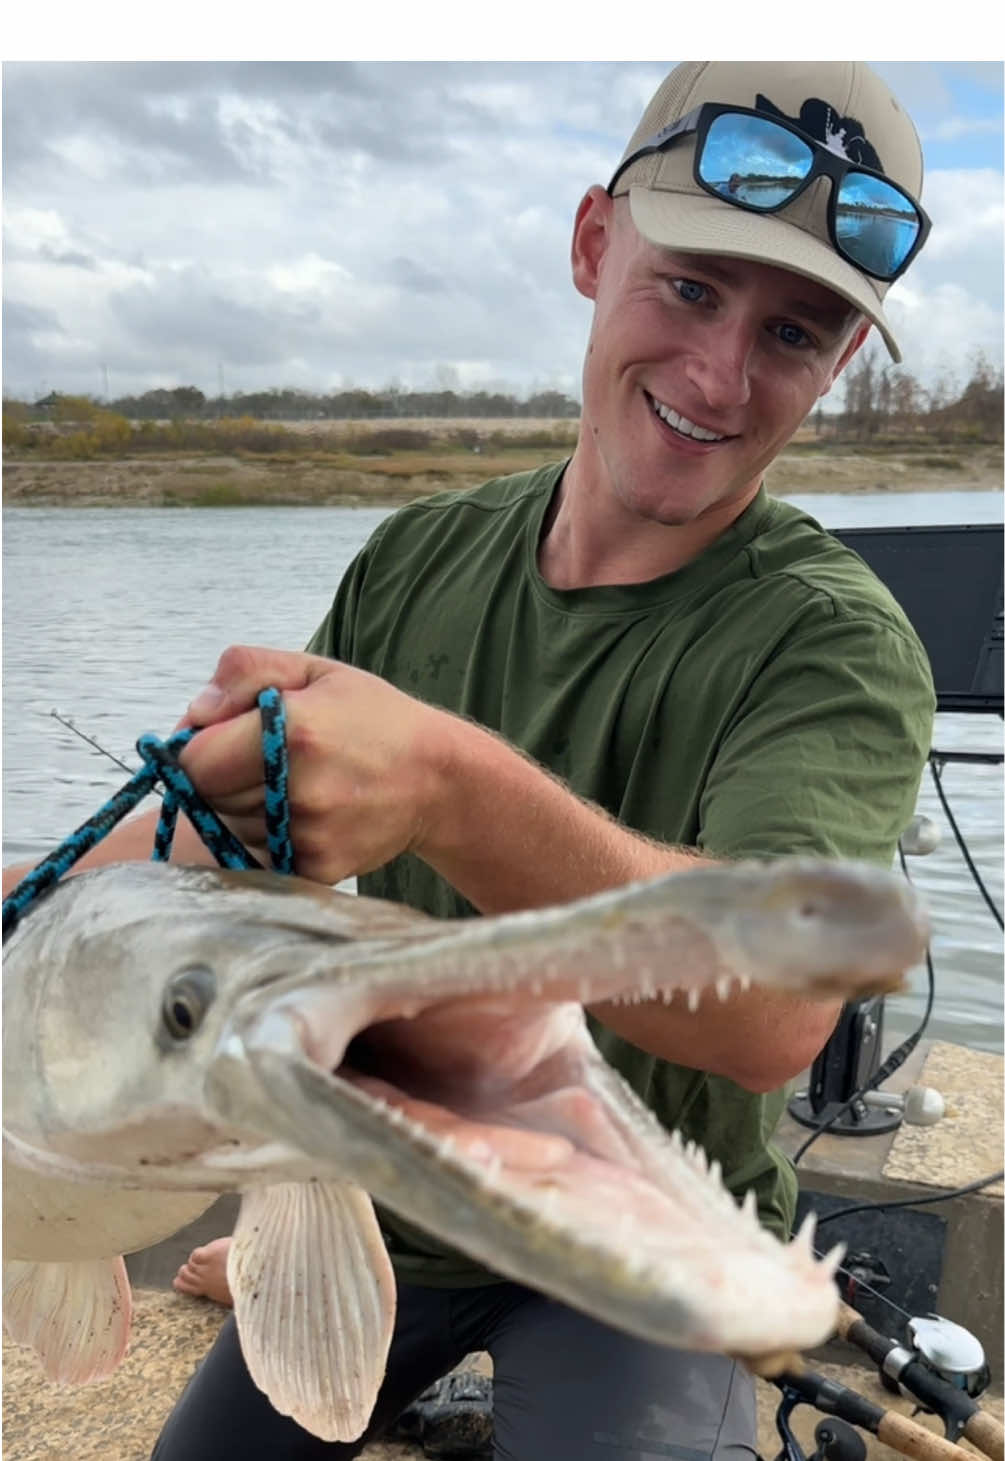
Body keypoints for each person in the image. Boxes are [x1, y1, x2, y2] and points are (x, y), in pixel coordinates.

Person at [5, 60, 936, 1461]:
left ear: (841, 363)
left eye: (794, 333)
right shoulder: (416, 556)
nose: (718, 374)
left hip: (622, 1222)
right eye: (686, 287)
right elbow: (220, 846)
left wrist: (449, 784)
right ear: (588, 244)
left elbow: (772, 1018)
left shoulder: (833, 643)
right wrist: (25, 893)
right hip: (356, 1180)